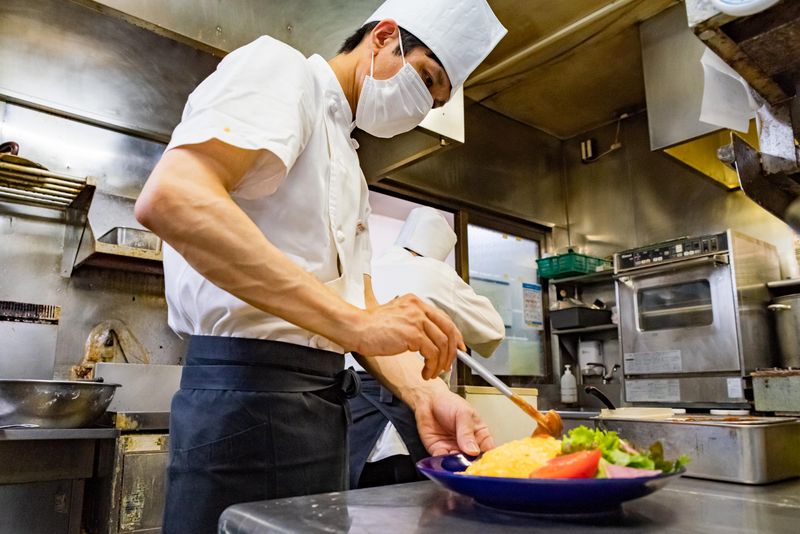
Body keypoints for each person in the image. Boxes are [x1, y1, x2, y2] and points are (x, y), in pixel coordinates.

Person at [133, 0, 507, 532]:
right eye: (426, 78)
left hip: (319, 410)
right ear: (384, 36)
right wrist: (354, 324)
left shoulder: (349, 160)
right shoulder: (281, 68)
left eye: (434, 100)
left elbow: (362, 305)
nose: (422, 104)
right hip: (248, 401)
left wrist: (427, 393)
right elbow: (174, 198)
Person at [348, 207, 506, 488]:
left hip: (353, 417)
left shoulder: (367, 267)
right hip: (406, 422)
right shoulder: (438, 272)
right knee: (418, 506)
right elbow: (493, 332)